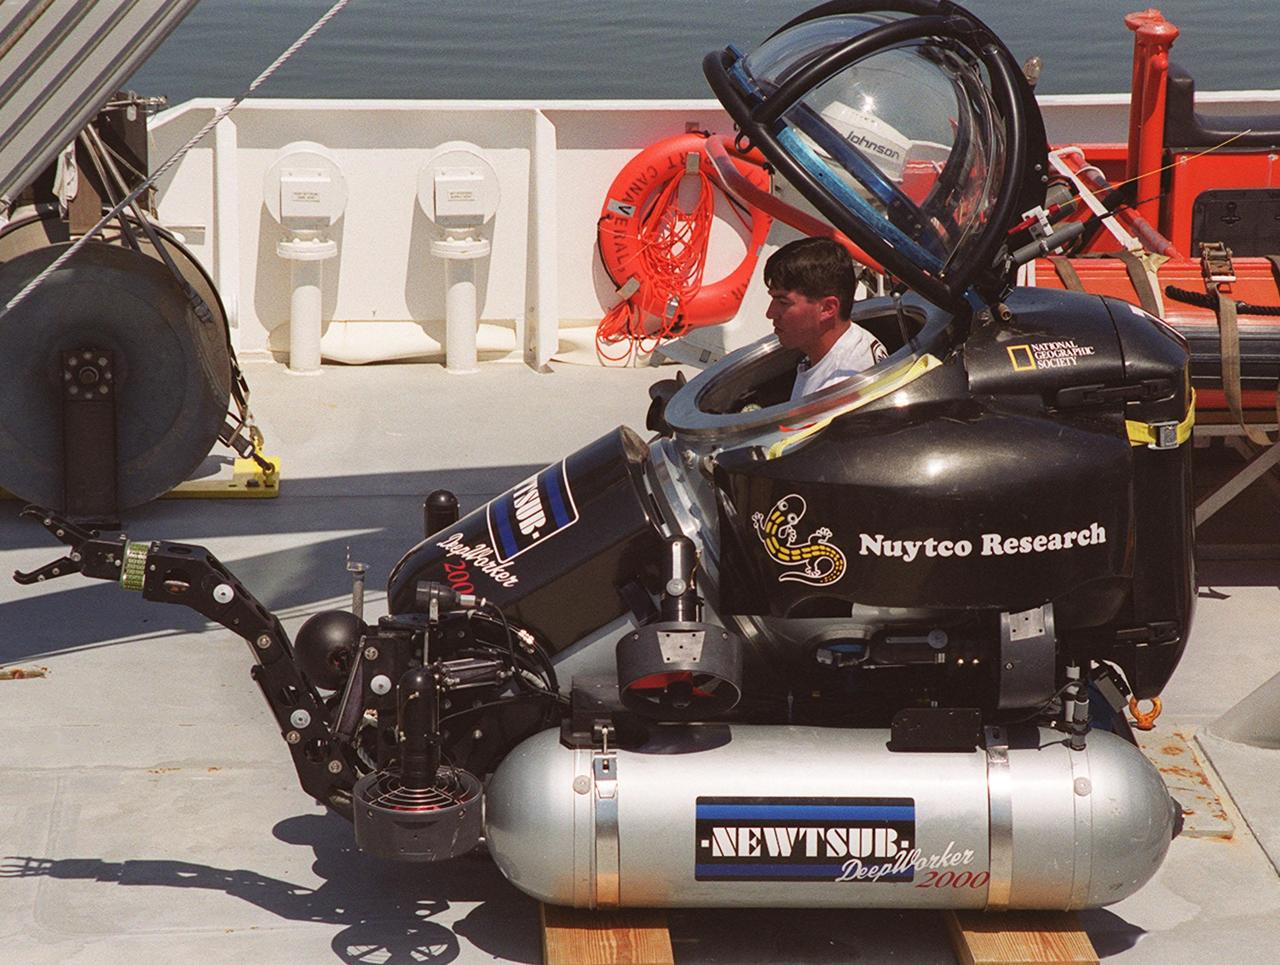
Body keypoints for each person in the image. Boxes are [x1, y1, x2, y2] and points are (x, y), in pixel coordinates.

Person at [763, 237, 887, 401]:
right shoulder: (857, 339)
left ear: (828, 308)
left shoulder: (833, 392)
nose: (770, 313)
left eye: (783, 302)